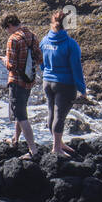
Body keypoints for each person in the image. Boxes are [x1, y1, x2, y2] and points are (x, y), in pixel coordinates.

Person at [40, 9, 87, 156]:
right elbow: (76, 69)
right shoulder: (70, 44)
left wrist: (47, 72)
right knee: (59, 116)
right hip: (64, 84)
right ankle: (56, 148)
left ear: (52, 23)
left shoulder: (44, 40)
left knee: (51, 114)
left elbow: (41, 63)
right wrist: (82, 89)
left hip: (47, 82)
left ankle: (58, 143)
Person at [0, 13, 42, 156]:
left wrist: (4, 59)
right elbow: (40, 58)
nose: (7, 31)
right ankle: (15, 139)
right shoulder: (32, 35)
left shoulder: (13, 39)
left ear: (10, 25)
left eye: (6, 28)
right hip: (29, 80)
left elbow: (11, 66)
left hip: (17, 81)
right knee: (20, 111)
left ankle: (33, 150)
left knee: (21, 116)